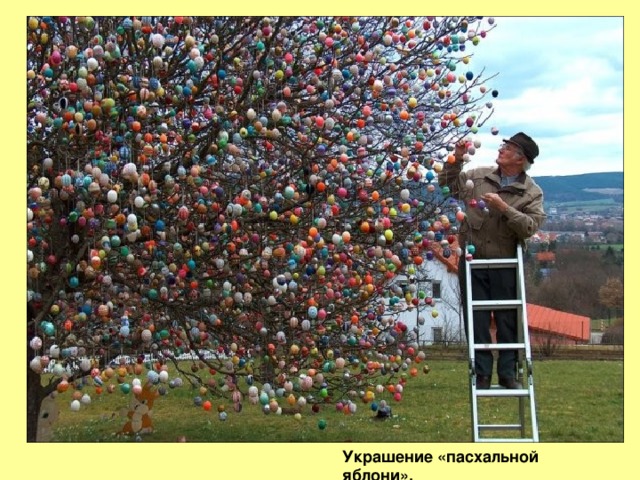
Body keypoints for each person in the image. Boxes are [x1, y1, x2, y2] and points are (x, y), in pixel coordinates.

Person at [438, 132, 546, 389]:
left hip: (506, 263)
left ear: (521, 159)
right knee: (477, 319)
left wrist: (505, 209)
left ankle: (508, 373)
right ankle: (482, 373)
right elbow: (448, 186)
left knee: (508, 318)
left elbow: (530, 226)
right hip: (473, 261)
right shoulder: (477, 176)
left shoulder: (531, 192)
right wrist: (457, 159)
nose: (502, 150)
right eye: (503, 145)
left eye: (508, 148)